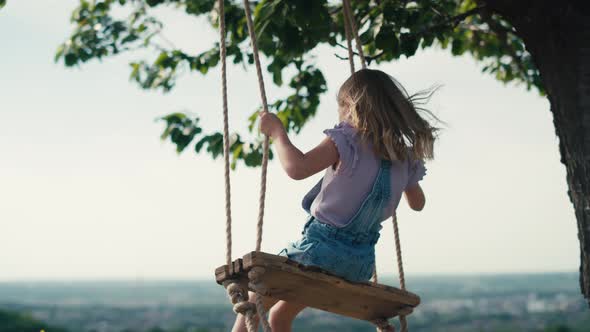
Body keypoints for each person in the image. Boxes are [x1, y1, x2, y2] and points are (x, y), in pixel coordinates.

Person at [233, 68, 440, 332]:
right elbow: (417, 203)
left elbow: (297, 168)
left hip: (318, 252)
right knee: (279, 318)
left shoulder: (347, 139)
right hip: (359, 264)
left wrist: (277, 132)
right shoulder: (406, 157)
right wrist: (402, 182)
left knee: (252, 306)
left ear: (349, 105)